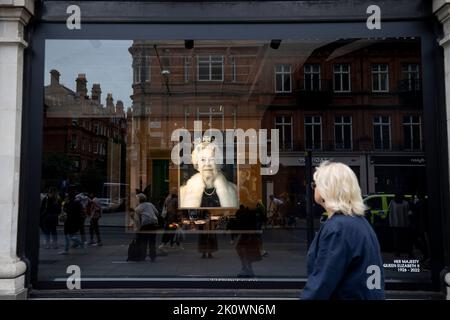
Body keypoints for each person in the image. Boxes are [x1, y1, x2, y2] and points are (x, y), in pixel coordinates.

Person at [301, 161, 385, 300]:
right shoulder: (360, 223)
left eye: (315, 185)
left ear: (326, 189)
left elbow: (321, 284)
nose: (313, 189)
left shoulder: (337, 229)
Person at [179, 137, 238, 208]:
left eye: (212, 159)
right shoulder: (183, 192)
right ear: (197, 164)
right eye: (203, 159)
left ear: (218, 163)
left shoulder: (234, 190)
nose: (207, 164)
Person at [235, 206, 262, 277]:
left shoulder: (244, 216)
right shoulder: (252, 215)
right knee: (245, 252)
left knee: (244, 252)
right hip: (249, 236)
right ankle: (247, 269)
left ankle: (246, 269)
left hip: (246, 236)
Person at [133, 193, 159, 262]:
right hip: (154, 224)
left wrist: (138, 230)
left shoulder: (138, 208)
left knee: (144, 241)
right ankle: (153, 257)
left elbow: (137, 220)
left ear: (138, 200)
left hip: (145, 225)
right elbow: (157, 212)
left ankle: (143, 257)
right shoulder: (150, 204)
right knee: (152, 241)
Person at [59, 187, 84, 255]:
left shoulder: (73, 204)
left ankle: (80, 243)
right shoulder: (67, 204)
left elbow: (72, 214)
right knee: (68, 236)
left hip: (70, 223)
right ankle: (67, 249)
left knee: (69, 236)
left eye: (66, 198)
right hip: (68, 222)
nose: (65, 199)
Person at [388, 193, 413, 258]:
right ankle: (405, 252)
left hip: (398, 224)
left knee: (398, 239)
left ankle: (400, 252)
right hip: (402, 224)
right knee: (402, 239)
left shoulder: (393, 203)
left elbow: (390, 213)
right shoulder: (405, 203)